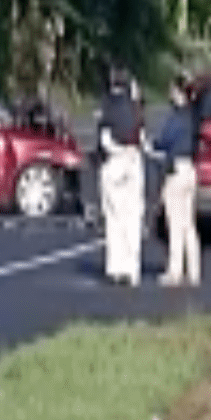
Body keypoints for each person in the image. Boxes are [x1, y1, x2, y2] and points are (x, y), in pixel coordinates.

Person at [95, 65, 147, 286]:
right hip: (134, 161)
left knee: (113, 216)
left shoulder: (107, 105)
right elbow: (143, 139)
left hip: (115, 162)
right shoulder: (135, 109)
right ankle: (132, 268)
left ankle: (115, 267)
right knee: (133, 216)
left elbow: (104, 140)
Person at [152, 74, 202, 287]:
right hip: (191, 169)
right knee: (188, 224)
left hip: (176, 172)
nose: (170, 94)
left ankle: (175, 272)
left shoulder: (176, 118)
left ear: (179, 93)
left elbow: (163, 141)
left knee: (174, 223)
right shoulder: (194, 116)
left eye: (173, 90)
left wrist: (153, 145)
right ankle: (194, 270)